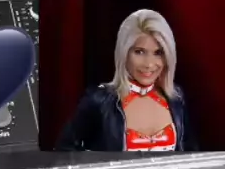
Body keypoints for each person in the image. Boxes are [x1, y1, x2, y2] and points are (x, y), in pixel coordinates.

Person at [55, 8, 197, 152]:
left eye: (158, 53)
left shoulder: (176, 98)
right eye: (139, 52)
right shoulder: (100, 101)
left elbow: (191, 153)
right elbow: (63, 150)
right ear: (124, 52)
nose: (149, 64)